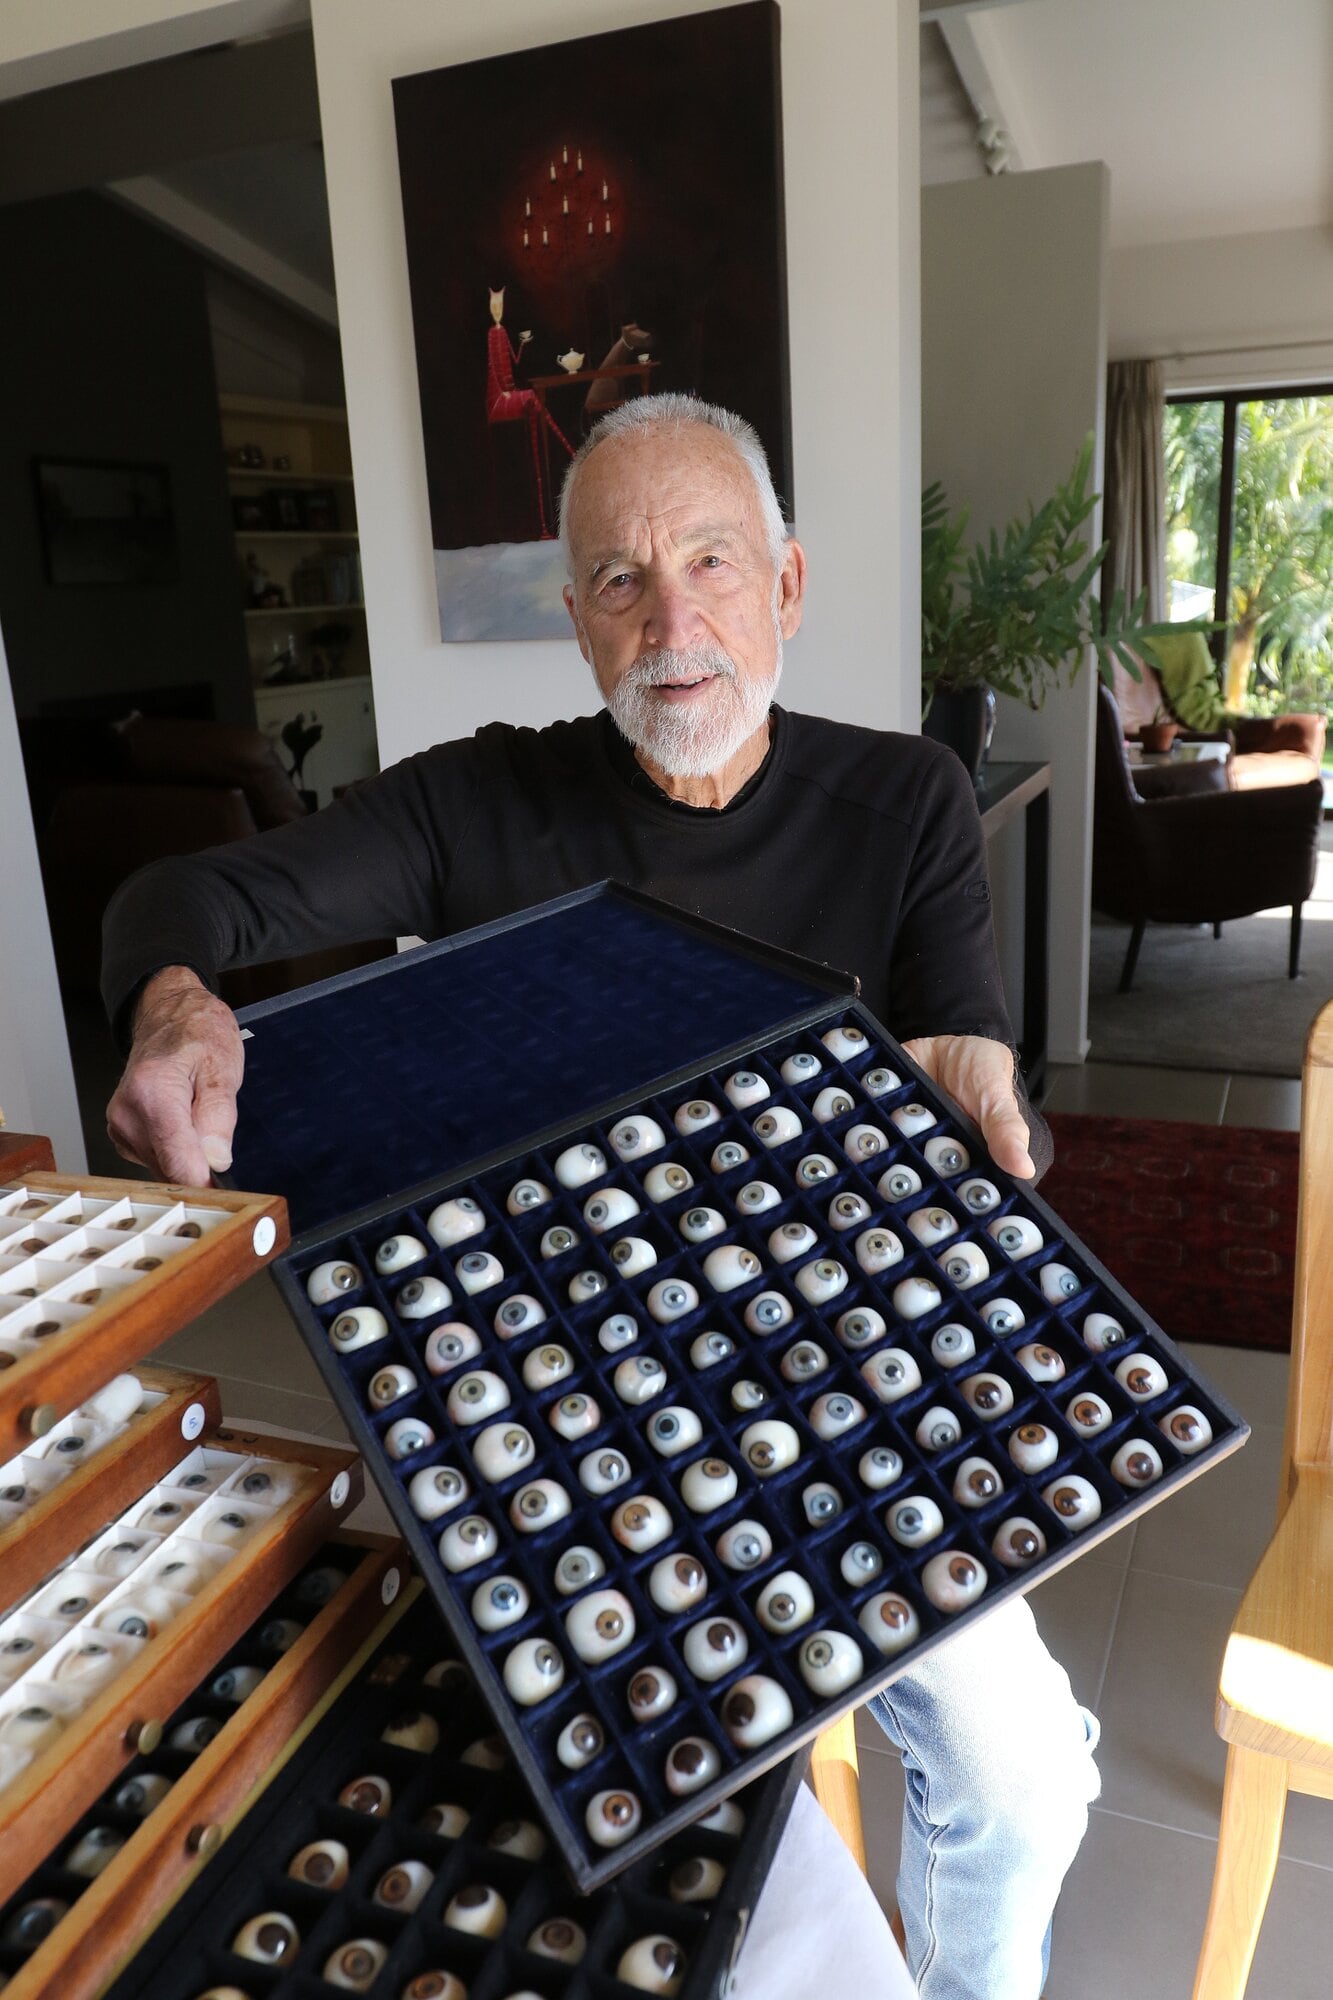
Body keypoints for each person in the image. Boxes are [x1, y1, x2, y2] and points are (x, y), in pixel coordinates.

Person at [102, 393, 1098, 2000]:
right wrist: (173, 999)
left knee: (1024, 1774)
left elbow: (964, 1033)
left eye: (710, 563)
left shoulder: (904, 797)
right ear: (572, 622)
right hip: (573, 1404)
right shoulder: (471, 804)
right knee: (636, 1853)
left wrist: (978, 1083)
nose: (671, 619)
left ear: (785, 585)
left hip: (846, 1373)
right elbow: (185, 892)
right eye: (620, 580)